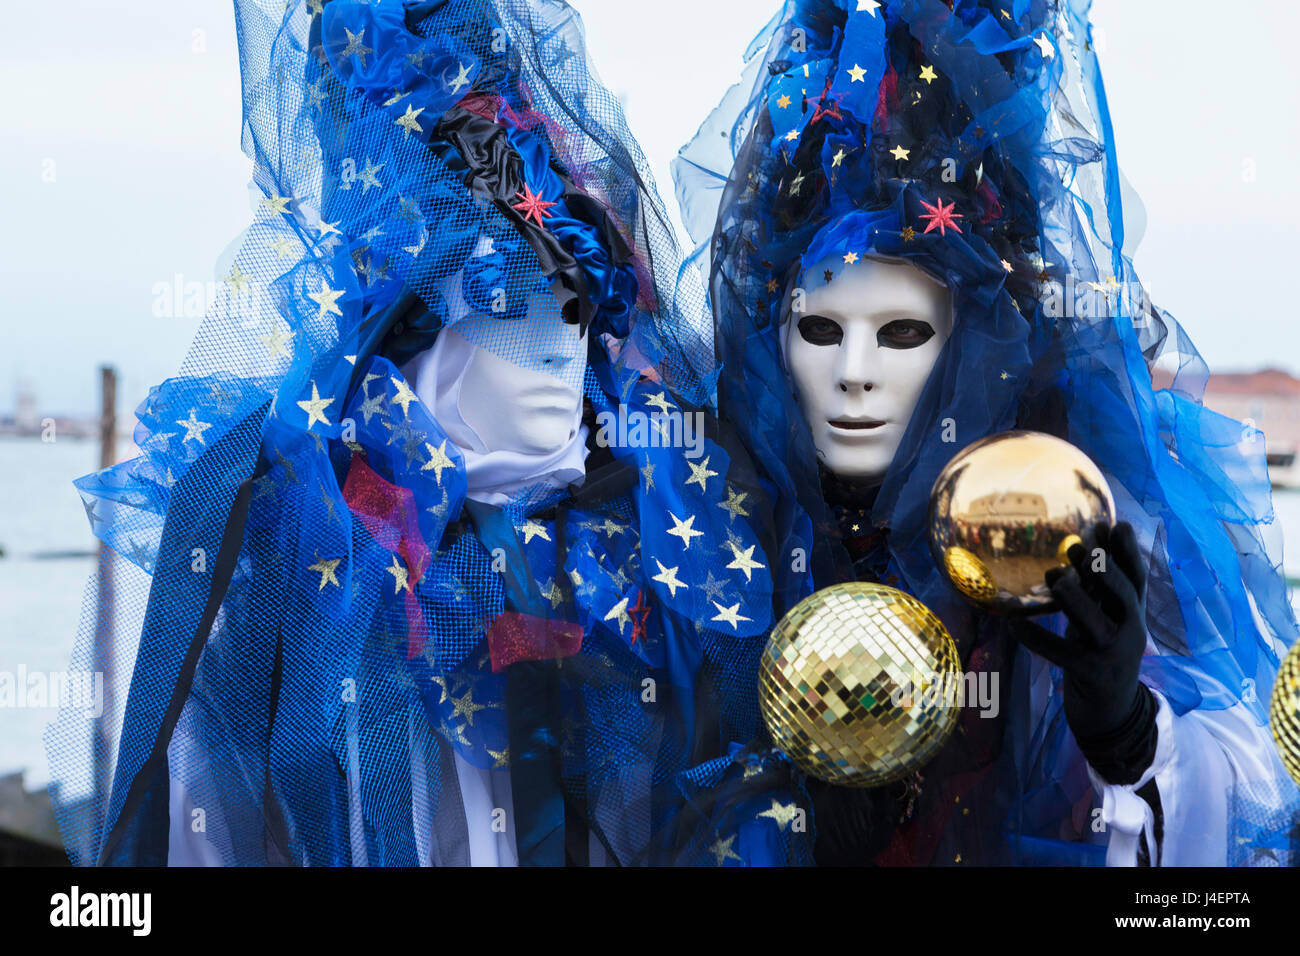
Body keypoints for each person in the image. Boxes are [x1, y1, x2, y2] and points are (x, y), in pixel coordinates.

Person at [50, 0, 782, 867]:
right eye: (510, 308)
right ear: (415, 337)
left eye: (578, 313)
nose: (561, 348)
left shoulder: (653, 537)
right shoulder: (309, 557)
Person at [673, 0, 1300, 865]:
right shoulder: (703, 532)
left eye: (902, 332)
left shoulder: (1065, 518)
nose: (855, 371)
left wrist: (1125, 735)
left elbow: (1236, 855)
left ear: (974, 345)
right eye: (821, 330)